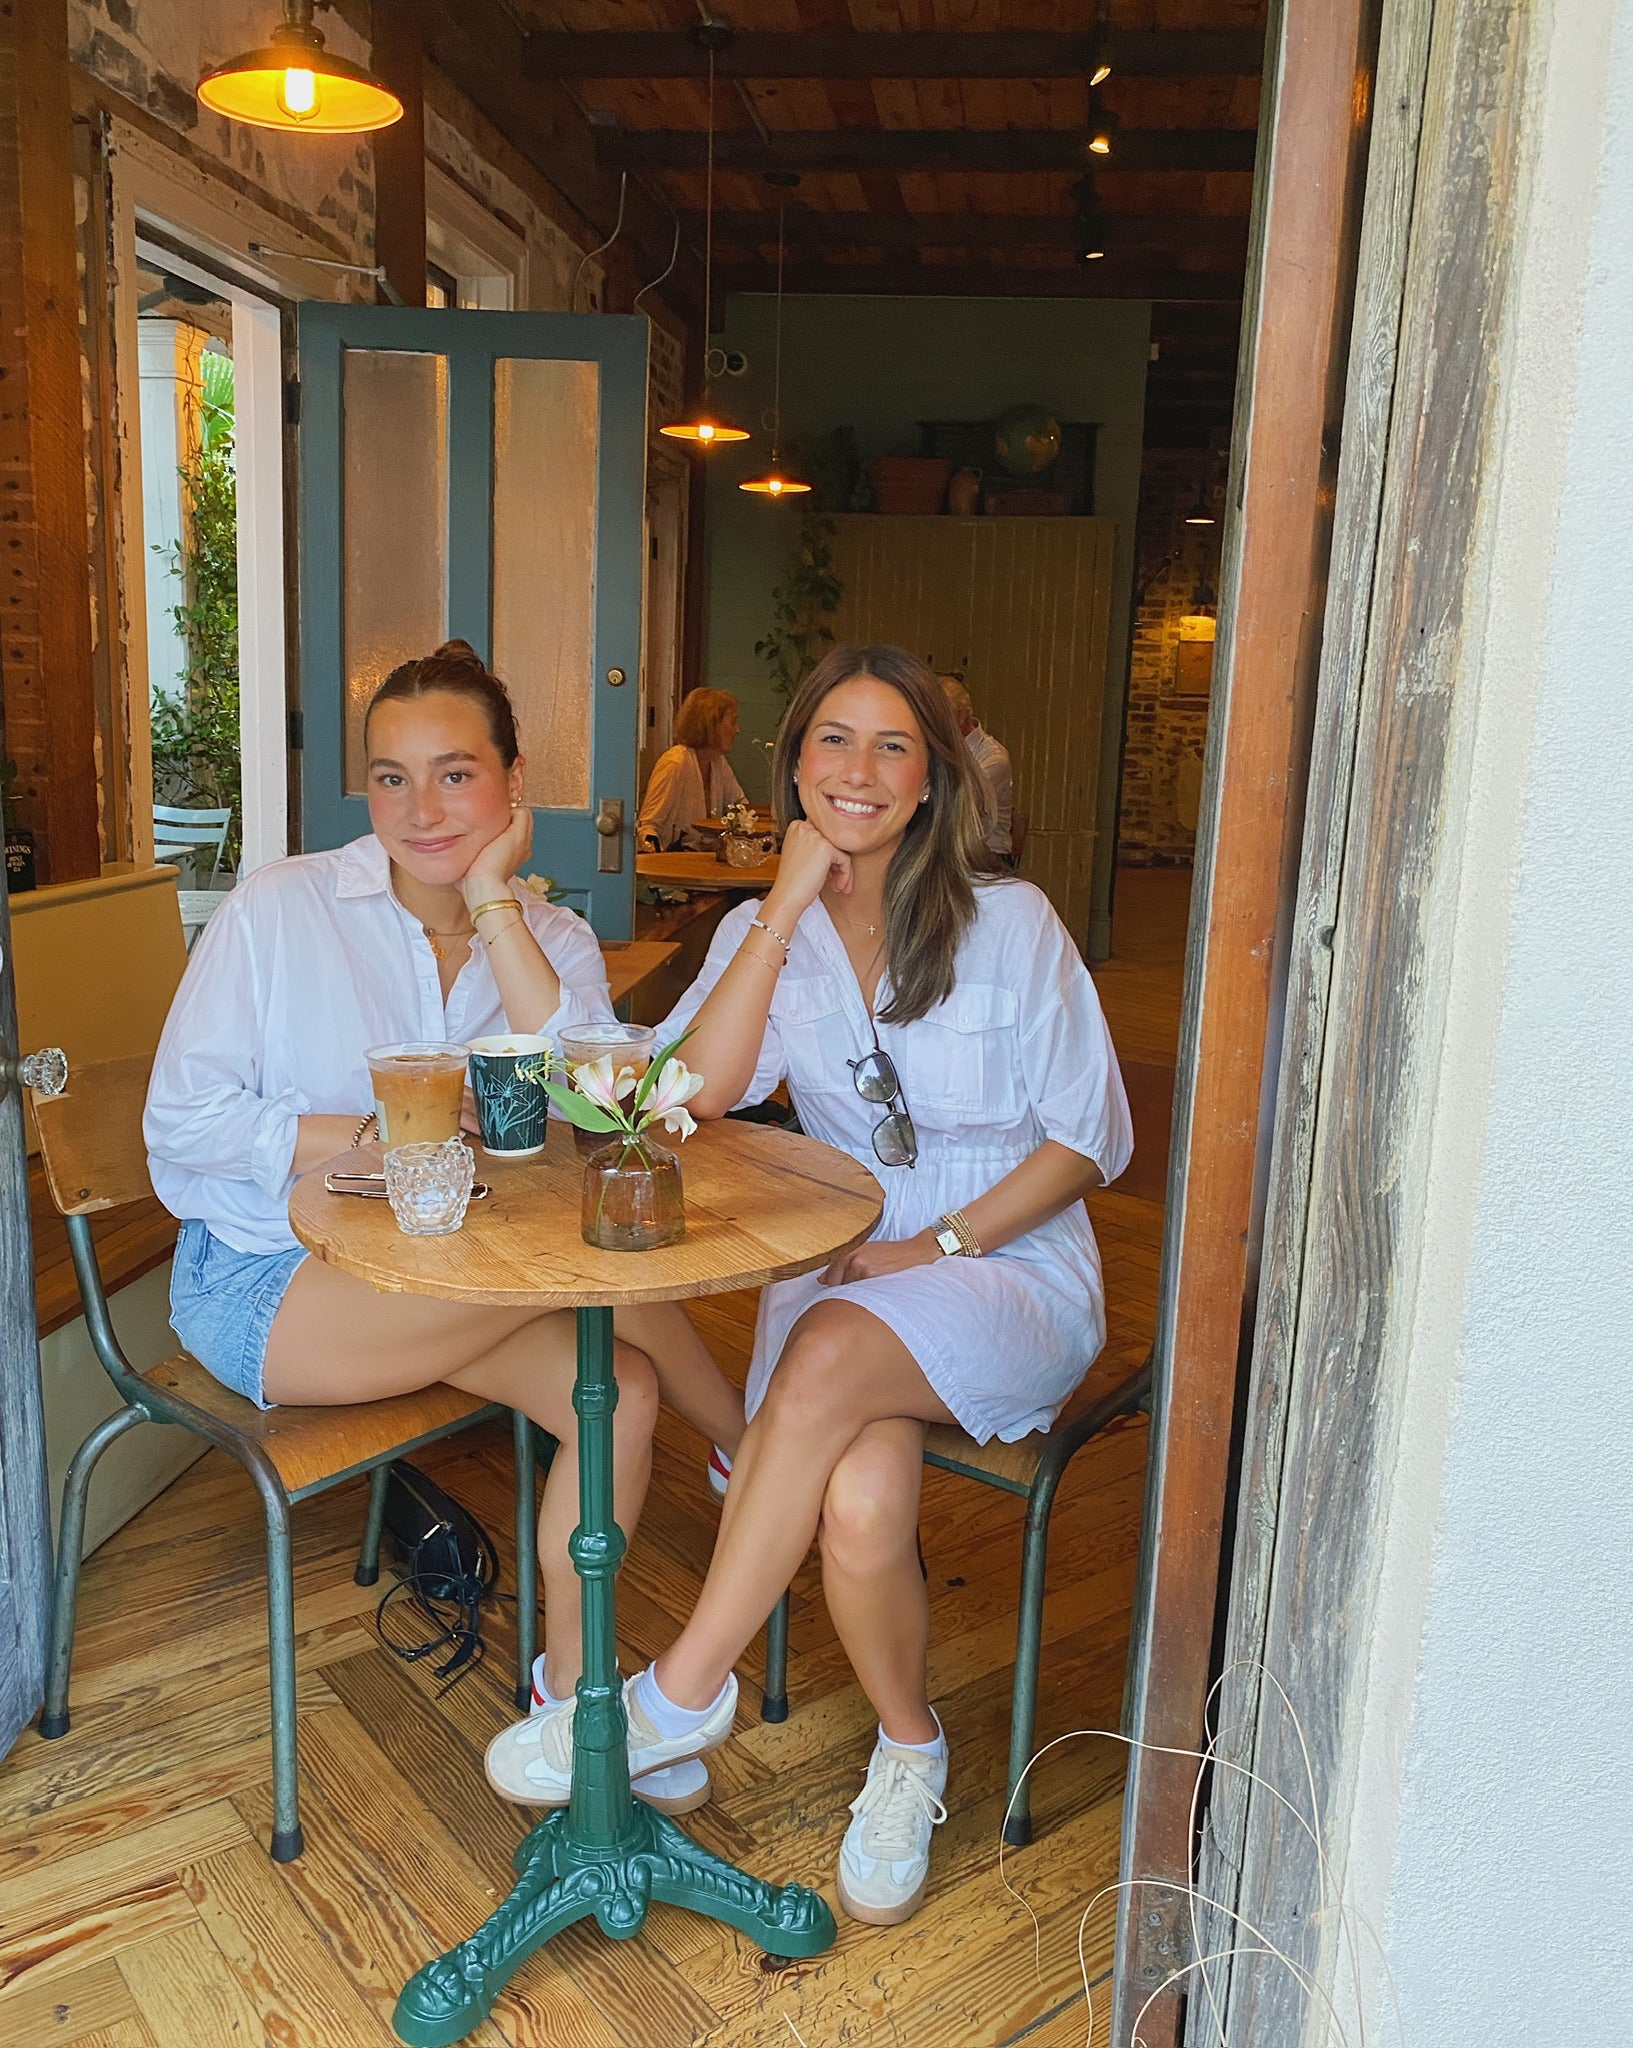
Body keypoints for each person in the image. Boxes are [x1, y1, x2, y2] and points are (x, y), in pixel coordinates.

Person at [484, 643, 1131, 1924]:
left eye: (893, 746)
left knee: (829, 1346)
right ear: (792, 764)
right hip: (849, 1276)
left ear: (934, 780)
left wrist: (932, 1247)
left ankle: (675, 1695)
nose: (860, 769)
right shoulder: (757, 929)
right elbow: (686, 1096)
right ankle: (911, 1746)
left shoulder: (1012, 923)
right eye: (834, 739)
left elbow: (1085, 1138)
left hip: (1003, 1268)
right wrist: (778, 905)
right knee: (860, 1498)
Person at [145, 640, 744, 1815]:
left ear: (514, 784)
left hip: (457, 1279)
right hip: (270, 1279)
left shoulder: (547, 942)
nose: (421, 808)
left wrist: (489, 902)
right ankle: (756, 1446)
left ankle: (571, 1694)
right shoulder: (283, 908)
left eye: (456, 774)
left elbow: (607, 1117)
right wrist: (382, 1131)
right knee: (596, 1273)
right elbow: (183, 1121)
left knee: (619, 1390)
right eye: (391, 777)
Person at [636, 688, 748, 852]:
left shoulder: (718, 762)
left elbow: (741, 807)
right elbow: (648, 825)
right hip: (673, 861)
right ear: (712, 724)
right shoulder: (675, 763)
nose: (737, 730)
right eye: (732, 722)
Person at [938, 673, 1013, 862]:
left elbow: (965, 811)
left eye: (939, 715)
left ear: (962, 715)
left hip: (988, 857)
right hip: (949, 854)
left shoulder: (994, 757)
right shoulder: (935, 748)